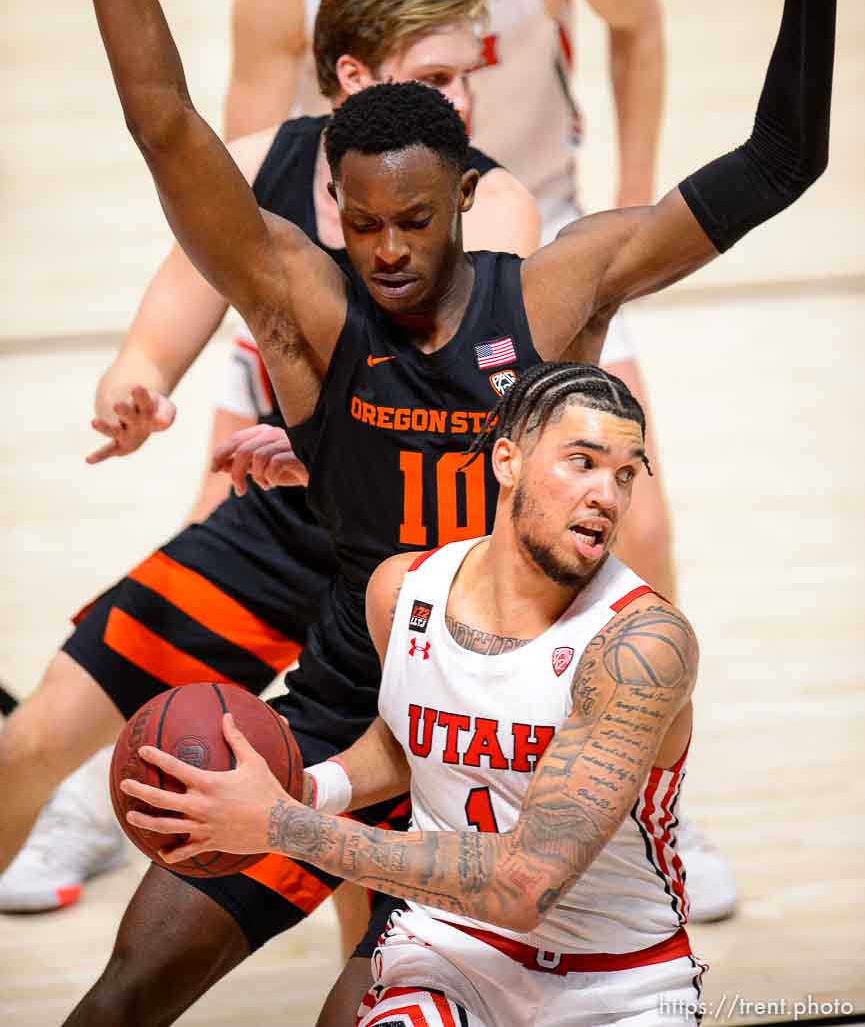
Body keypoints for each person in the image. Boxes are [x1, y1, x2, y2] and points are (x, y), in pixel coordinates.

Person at [38, 0, 859, 1021]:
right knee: (131, 985)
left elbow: (780, 161)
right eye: (361, 228)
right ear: (338, 211)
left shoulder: (549, 294)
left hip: (495, 726)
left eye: (412, 224)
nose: (388, 253)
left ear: (460, 194)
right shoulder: (309, 315)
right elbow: (161, 121)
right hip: (350, 694)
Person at [0, 0, 537, 936]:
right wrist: (137, 380)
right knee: (32, 735)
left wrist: (335, 439)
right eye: (436, 76)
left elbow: (468, 393)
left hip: (409, 559)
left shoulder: (490, 201)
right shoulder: (260, 165)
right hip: (283, 526)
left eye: (466, 76)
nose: (464, 97)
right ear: (353, 80)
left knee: (363, 866)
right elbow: (175, 299)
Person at [225, 0, 677, 614]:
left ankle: (638, 715)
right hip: (362, 254)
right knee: (233, 493)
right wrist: (271, 303)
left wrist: (630, 192)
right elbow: (250, 165)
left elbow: (639, 25)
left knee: (641, 522)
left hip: (535, 230)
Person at [123, 361, 707, 1027]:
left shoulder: (642, 645)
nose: (606, 493)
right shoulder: (403, 590)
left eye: (625, 474)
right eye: (582, 462)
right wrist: (304, 791)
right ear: (507, 461)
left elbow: (524, 884)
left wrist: (283, 824)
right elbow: (412, 736)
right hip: (448, 950)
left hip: (615, 983)